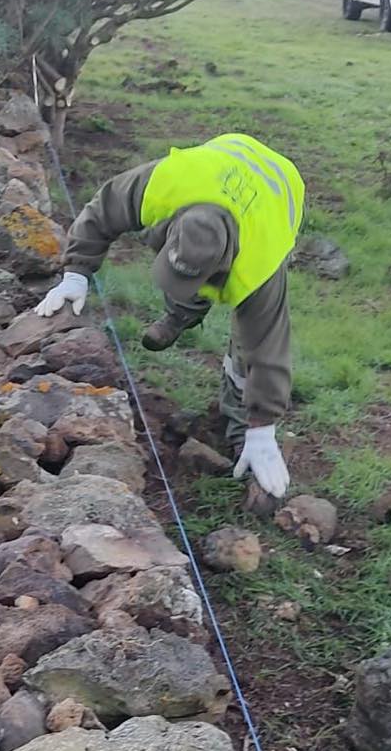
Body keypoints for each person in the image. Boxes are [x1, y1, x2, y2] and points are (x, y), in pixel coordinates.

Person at [35, 133, 304, 500]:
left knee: (248, 347)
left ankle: (239, 426)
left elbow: (268, 348)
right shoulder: (164, 184)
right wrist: (76, 272)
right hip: (219, 164)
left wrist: (262, 427)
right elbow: (103, 208)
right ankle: (181, 317)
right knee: (187, 283)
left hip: (278, 191)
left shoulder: (260, 261)